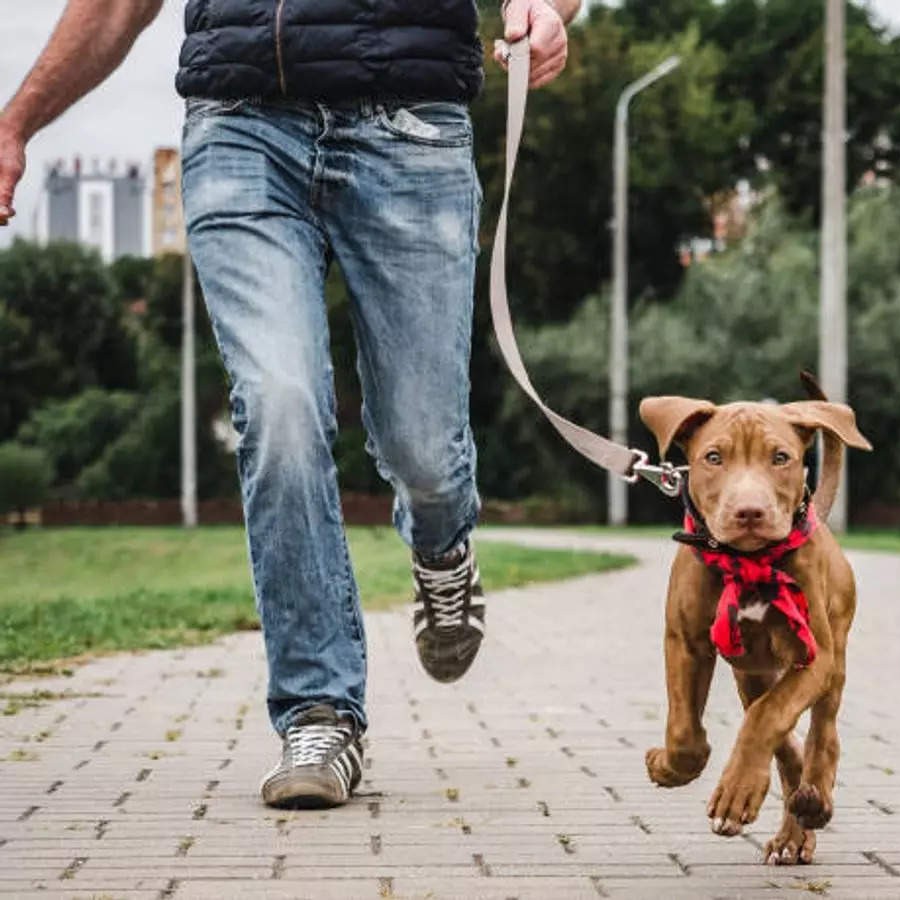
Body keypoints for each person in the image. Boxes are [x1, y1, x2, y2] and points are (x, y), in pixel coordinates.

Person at [0, 0, 578, 809]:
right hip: (240, 131)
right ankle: (319, 707)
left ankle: (443, 548)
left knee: (422, 446)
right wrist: (16, 120)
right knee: (279, 406)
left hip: (410, 127)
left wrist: (551, 10)